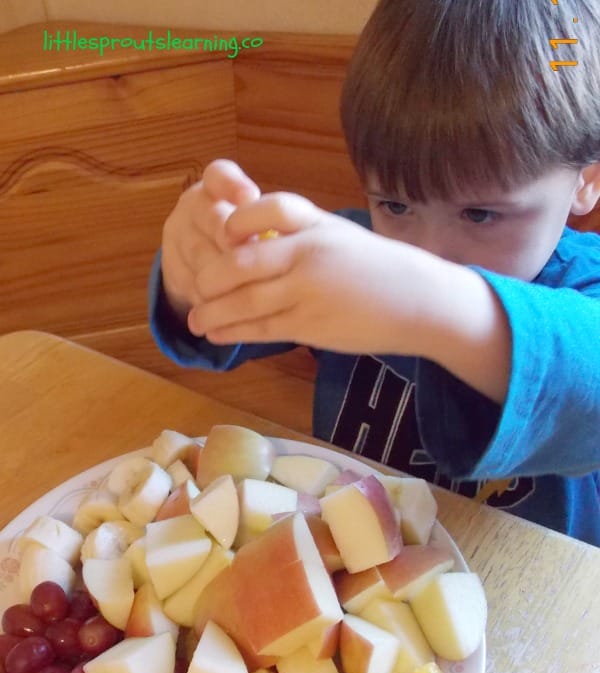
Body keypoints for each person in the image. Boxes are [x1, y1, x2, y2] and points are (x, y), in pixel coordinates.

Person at [149, 0, 600, 546]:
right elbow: (219, 319)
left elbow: (585, 379)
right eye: (397, 206)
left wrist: (427, 303)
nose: (426, 253)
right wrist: (196, 275)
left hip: (529, 590)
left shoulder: (582, 289)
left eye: (480, 214)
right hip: (351, 565)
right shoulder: (353, 251)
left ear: (586, 180)